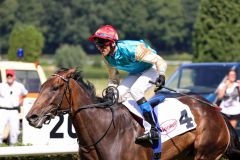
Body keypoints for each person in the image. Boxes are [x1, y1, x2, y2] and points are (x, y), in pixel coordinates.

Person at [88, 25, 167, 144]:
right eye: (97, 44)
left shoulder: (132, 49)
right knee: (117, 95)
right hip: (135, 72)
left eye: (103, 44)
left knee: (136, 90)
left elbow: (159, 61)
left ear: (113, 43)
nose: (100, 47)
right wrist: (111, 89)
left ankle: (153, 129)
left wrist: (161, 74)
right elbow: (113, 79)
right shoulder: (107, 58)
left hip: (152, 69)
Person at [0, 69, 28, 145]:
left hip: (14, 110)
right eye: (8, 76)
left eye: (10, 75)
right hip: (3, 110)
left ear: (14, 76)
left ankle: (13, 146)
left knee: (14, 130)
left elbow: (25, 94)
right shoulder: (1, 85)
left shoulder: (19, 86)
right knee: (0, 128)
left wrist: (21, 100)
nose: (9, 77)